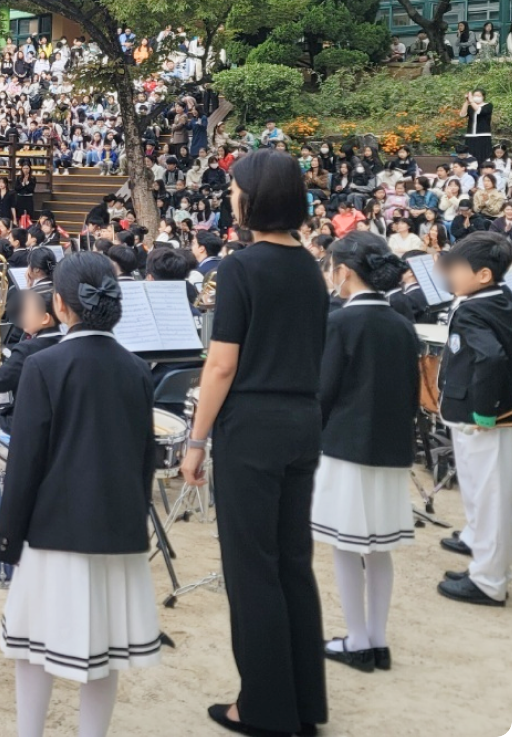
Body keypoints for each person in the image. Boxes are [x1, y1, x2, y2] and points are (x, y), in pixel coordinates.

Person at [181, 149, 328, 737]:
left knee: (252, 571)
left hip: (252, 428)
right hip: (301, 421)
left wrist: (196, 439)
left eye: (236, 188)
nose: (230, 196)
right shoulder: (311, 267)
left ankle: (263, 708)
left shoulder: (240, 267)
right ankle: (303, 703)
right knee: (294, 563)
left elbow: (220, 366)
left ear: (254, 198)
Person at [0, 253, 160, 737]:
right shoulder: (136, 369)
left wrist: (9, 539)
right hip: (117, 527)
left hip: (52, 530)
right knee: (103, 653)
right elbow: (143, 457)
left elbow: (26, 462)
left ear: (60, 305)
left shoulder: (44, 366)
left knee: (31, 647)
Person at [312, 233, 420, 673]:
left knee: (345, 545)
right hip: (393, 445)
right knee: (379, 549)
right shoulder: (401, 322)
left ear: (345, 272)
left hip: (345, 445)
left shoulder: (339, 323)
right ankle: (377, 639)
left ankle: (356, 639)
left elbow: (323, 391)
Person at [435, 233, 512, 608]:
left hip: (483, 419)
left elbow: (492, 358)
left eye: (458, 269)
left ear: (483, 274)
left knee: (491, 496)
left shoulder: (474, 309)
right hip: (477, 415)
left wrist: (485, 407)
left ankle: (489, 581)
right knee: (483, 492)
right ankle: (485, 561)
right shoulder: (494, 299)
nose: (450, 274)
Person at [0, 285, 61, 431]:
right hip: (59, 422)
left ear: (45, 318)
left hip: (28, 423)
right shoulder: (67, 342)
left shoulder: (26, 350)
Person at [460, 90, 494, 164]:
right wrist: (467, 101)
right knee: (470, 158)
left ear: (483, 97)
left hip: (483, 136)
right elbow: (462, 114)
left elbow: (480, 111)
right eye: (474, 95)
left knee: (483, 157)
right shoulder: (470, 106)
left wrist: (472, 102)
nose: (476, 97)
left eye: (478, 96)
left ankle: (483, 173)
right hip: (471, 136)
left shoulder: (488, 106)